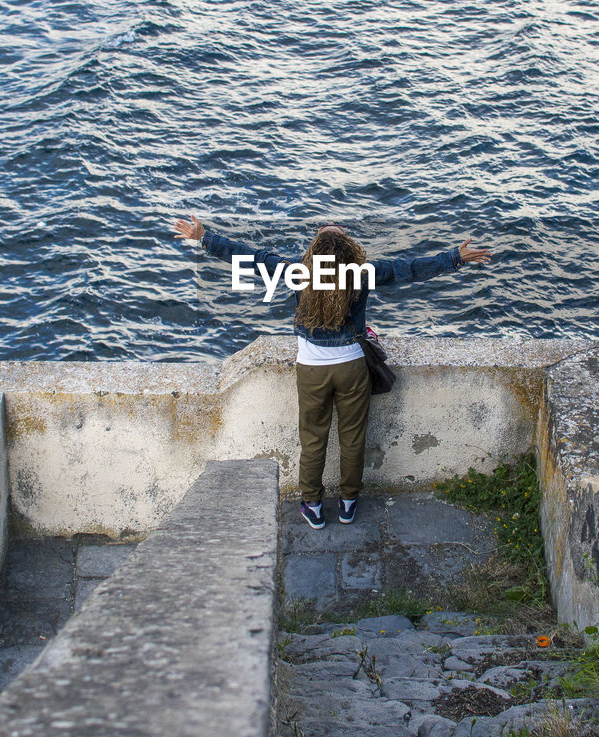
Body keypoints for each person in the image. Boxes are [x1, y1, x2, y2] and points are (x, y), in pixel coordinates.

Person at [173, 216, 492, 529]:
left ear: (314, 249)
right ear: (347, 248)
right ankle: (349, 503)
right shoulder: (362, 273)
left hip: (311, 370)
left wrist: (204, 237)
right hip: (353, 367)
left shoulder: (296, 271)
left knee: (313, 440)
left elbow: (251, 258)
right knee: (352, 439)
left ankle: (312, 505)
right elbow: (407, 269)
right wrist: (455, 257)